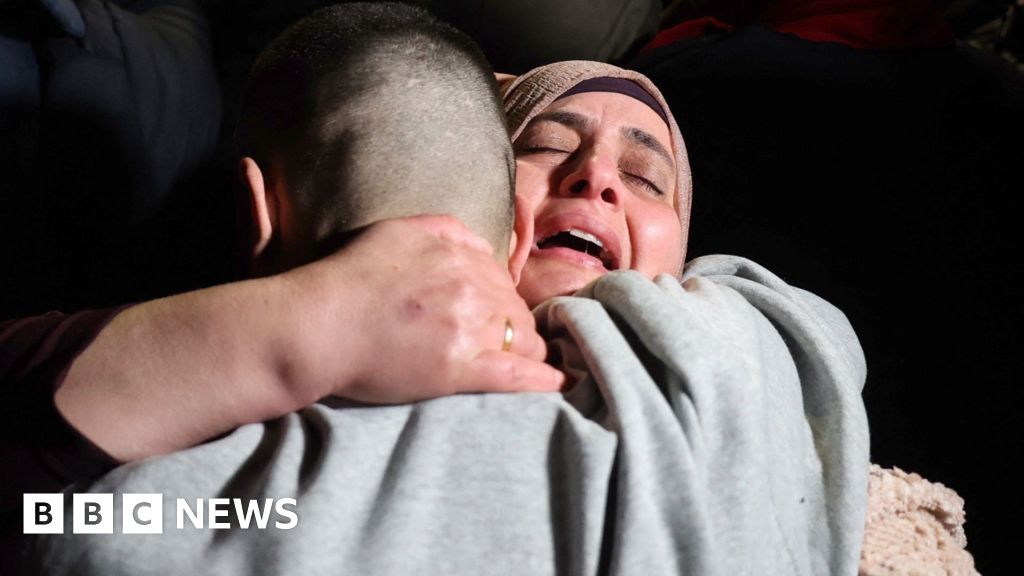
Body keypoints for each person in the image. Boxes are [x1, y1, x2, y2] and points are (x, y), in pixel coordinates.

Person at [9, 6, 876, 575]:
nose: (599, 178)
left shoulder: (752, 338)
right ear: (491, 213)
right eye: (547, 145)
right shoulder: (199, 429)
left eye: (649, 180)